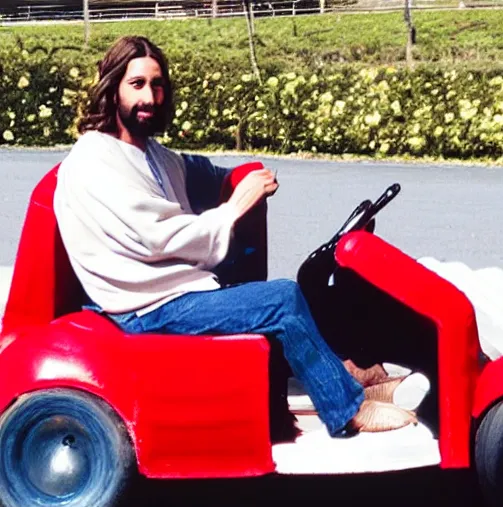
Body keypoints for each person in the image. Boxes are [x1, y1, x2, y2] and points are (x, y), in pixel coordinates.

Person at [53, 35, 418, 440]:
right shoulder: (94, 160)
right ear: (112, 88)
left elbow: (200, 172)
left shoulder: (148, 153)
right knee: (280, 299)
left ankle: (352, 374)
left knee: (304, 288)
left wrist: (238, 178)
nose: (150, 98)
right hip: (141, 308)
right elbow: (158, 236)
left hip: (163, 291)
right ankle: (346, 409)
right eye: (137, 85)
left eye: (157, 85)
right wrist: (234, 205)